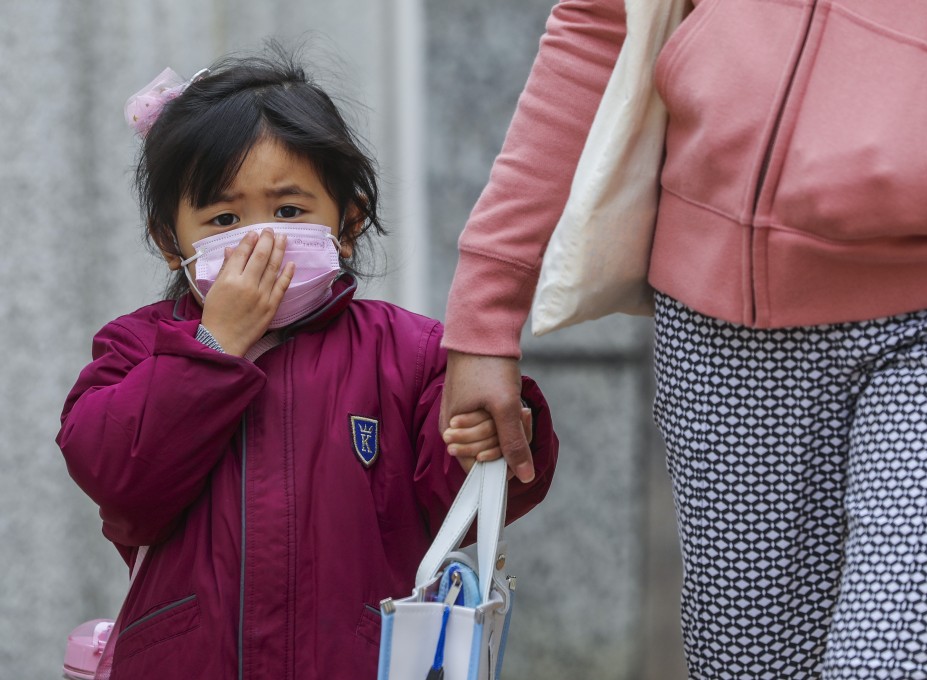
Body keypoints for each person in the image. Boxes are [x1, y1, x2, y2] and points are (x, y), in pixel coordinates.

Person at [440, 0, 927, 677]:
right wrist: (487, 305)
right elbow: (602, 22)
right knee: (749, 666)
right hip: (724, 331)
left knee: (904, 662)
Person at [56, 49, 558, 680]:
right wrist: (211, 348)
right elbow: (114, 473)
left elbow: (460, 496)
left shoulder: (411, 354)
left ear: (346, 223)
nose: (261, 241)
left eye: (290, 211)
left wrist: (497, 432)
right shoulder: (136, 348)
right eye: (225, 219)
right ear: (169, 241)